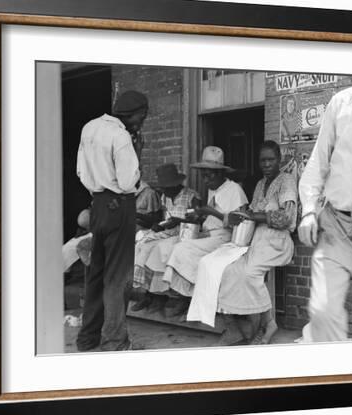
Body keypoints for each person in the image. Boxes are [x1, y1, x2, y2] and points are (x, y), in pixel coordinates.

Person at [186, 141, 297, 345]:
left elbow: (287, 218)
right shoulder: (260, 185)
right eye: (262, 160)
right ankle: (235, 326)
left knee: (249, 273)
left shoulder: (287, 181)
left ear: (279, 160)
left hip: (276, 242)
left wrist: (255, 216)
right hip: (255, 239)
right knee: (226, 268)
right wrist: (240, 216)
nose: (266, 164)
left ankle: (267, 324)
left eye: (270, 159)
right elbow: (250, 212)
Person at [298, 77, 352, 342]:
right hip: (336, 226)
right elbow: (318, 162)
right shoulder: (339, 103)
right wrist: (308, 210)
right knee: (322, 312)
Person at [75, 90, 148, 351]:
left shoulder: (89, 128)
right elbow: (129, 181)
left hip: (98, 205)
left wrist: (101, 193)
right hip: (120, 206)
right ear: (138, 113)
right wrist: (137, 152)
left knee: (96, 274)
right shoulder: (120, 136)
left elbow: (81, 172)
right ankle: (115, 342)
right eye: (142, 117)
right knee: (118, 279)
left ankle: (87, 338)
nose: (142, 122)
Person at [162, 146, 249, 317]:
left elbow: (240, 222)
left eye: (210, 175)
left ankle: (190, 300)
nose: (205, 179)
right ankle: (184, 298)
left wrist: (210, 211)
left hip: (226, 239)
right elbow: (211, 218)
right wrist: (200, 216)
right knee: (176, 244)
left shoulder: (234, 190)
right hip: (210, 234)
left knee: (182, 250)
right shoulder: (214, 189)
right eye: (203, 175)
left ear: (220, 173)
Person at [132, 163, 200, 313]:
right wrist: (159, 225)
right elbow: (164, 218)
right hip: (169, 232)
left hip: (186, 234)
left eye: (166, 187)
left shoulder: (191, 196)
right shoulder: (165, 197)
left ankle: (165, 296)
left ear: (176, 184)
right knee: (142, 245)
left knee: (159, 250)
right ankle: (148, 293)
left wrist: (180, 221)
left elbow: (199, 220)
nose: (163, 191)